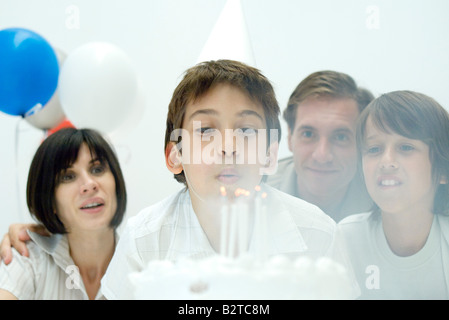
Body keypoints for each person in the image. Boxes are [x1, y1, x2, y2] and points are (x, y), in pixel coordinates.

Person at [100, 59, 359, 299]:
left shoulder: (318, 235)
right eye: (206, 129)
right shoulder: (145, 240)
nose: (228, 146)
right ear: (176, 155)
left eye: (246, 130)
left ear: (270, 153)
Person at [338, 90, 449, 299]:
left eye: (406, 147)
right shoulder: (345, 238)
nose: (386, 161)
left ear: (443, 170)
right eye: (374, 149)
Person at [0, 128, 127, 300]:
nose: (89, 184)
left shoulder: (147, 260)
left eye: (97, 169)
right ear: (49, 200)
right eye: (68, 176)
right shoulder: (28, 259)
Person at [266, 70, 375, 222]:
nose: (322, 155)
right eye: (308, 134)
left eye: (341, 137)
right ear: (290, 137)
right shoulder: (252, 197)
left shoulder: (384, 204)